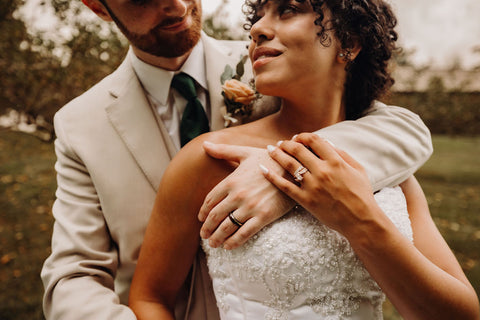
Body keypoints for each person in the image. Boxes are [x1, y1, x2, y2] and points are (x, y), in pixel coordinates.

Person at [40, 0, 434, 319]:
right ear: (99, 7)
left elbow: (403, 129)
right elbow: (73, 277)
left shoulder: (270, 61)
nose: (175, 6)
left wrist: (284, 176)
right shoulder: (79, 124)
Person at [128, 0, 479, 319]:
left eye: (288, 9)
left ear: (350, 43)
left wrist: (360, 221)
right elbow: (149, 298)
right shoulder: (210, 159)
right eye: (259, 15)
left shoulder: (390, 168)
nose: (257, 29)